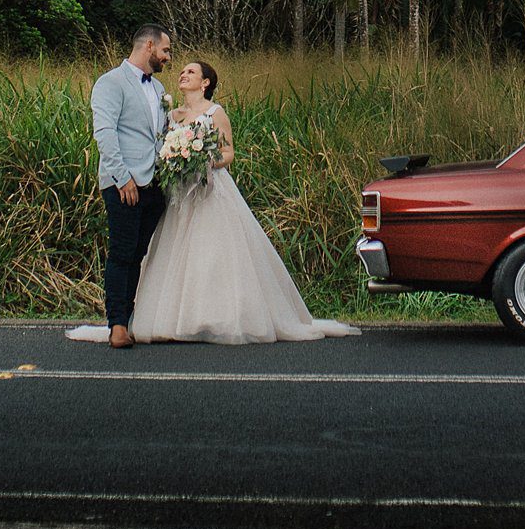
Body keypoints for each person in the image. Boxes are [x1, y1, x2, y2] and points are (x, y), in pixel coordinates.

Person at [123, 57, 358, 345]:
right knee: (177, 253)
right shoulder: (172, 116)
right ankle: (175, 319)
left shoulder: (215, 112)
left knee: (212, 255)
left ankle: (215, 318)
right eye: (182, 71)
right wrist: (175, 160)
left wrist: (201, 160)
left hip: (209, 190)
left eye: (191, 72)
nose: (183, 74)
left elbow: (229, 152)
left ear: (205, 82)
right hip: (179, 195)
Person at [86, 23, 173, 350]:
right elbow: (105, 134)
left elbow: (162, 134)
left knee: (139, 255)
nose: (167, 57)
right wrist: (123, 178)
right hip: (124, 183)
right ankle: (117, 325)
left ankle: (131, 316)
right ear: (148, 46)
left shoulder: (158, 87)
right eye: (165, 50)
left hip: (155, 185)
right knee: (122, 253)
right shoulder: (110, 83)